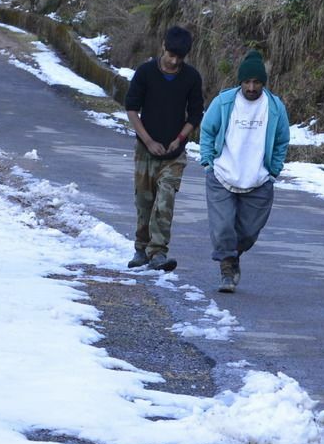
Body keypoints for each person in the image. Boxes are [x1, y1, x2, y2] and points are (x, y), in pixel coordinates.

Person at [198, 49, 291, 293]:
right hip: (222, 175)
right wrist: (208, 162)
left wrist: (275, 169)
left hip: (259, 180)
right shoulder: (225, 102)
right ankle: (227, 269)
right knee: (223, 228)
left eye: (256, 82)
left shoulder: (274, 107)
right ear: (240, 82)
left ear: (263, 82)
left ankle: (233, 254)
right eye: (247, 82)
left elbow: (282, 140)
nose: (251, 87)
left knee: (248, 233)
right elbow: (207, 130)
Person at [122, 25, 204, 271]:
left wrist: (180, 138)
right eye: (171, 55)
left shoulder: (191, 77)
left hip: (174, 153)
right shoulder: (145, 72)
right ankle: (141, 249)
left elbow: (196, 113)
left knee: (165, 199)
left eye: (179, 57)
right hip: (145, 150)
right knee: (144, 201)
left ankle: (158, 251)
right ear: (163, 48)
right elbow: (131, 109)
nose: (174, 61)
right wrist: (147, 140)